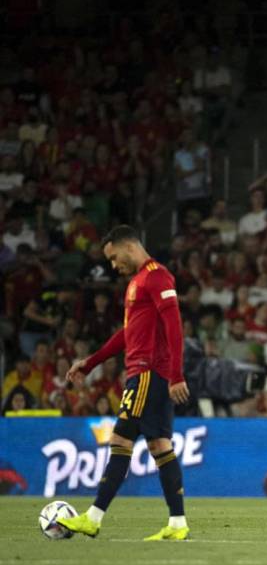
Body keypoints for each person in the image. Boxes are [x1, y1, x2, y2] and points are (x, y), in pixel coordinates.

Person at [58, 226, 191, 541]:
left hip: (147, 373)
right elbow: (127, 335)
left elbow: (174, 325)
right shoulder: (137, 283)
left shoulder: (157, 277)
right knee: (159, 446)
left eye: (114, 258)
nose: (113, 266)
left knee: (120, 441)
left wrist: (176, 374)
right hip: (146, 373)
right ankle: (177, 524)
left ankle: (92, 518)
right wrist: (90, 363)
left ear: (129, 247)